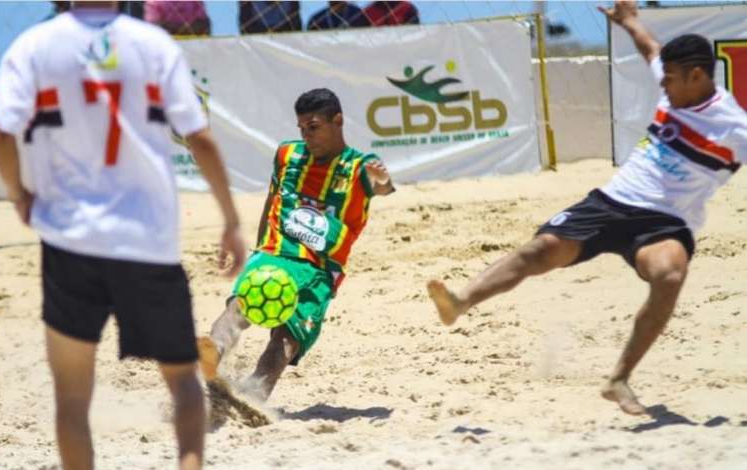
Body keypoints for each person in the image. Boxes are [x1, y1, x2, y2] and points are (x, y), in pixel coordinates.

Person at [427, 1, 747, 416]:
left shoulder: (734, 128)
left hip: (666, 222)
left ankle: (619, 378)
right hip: (612, 201)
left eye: (670, 80)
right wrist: (629, 20)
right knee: (539, 250)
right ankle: (461, 301)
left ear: (697, 76)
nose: (662, 85)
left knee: (669, 274)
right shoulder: (672, 78)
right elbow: (651, 49)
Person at [0, 1, 246, 470]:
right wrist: (232, 220)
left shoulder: (32, 46)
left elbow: (1, 135)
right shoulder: (151, 44)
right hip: (146, 240)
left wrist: (19, 194)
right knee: (184, 382)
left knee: (72, 398)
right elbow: (200, 138)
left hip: (70, 242)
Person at [197, 88, 395, 406]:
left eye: (313, 127)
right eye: (301, 128)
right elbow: (272, 199)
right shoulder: (288, 154)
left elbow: (383, 186)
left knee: (287, 337)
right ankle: (209, 354)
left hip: (320, 268)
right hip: (274, 251)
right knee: (238, 307)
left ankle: (252, 395)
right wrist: (258, 248)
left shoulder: (359, 165)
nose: (306, 135)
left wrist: (381, 181)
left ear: (338, 121)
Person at [144, 0, 211, 36]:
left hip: (196, 48)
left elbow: (204, 24)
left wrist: (172, 26)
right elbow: (154, 28)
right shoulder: (155, 2)